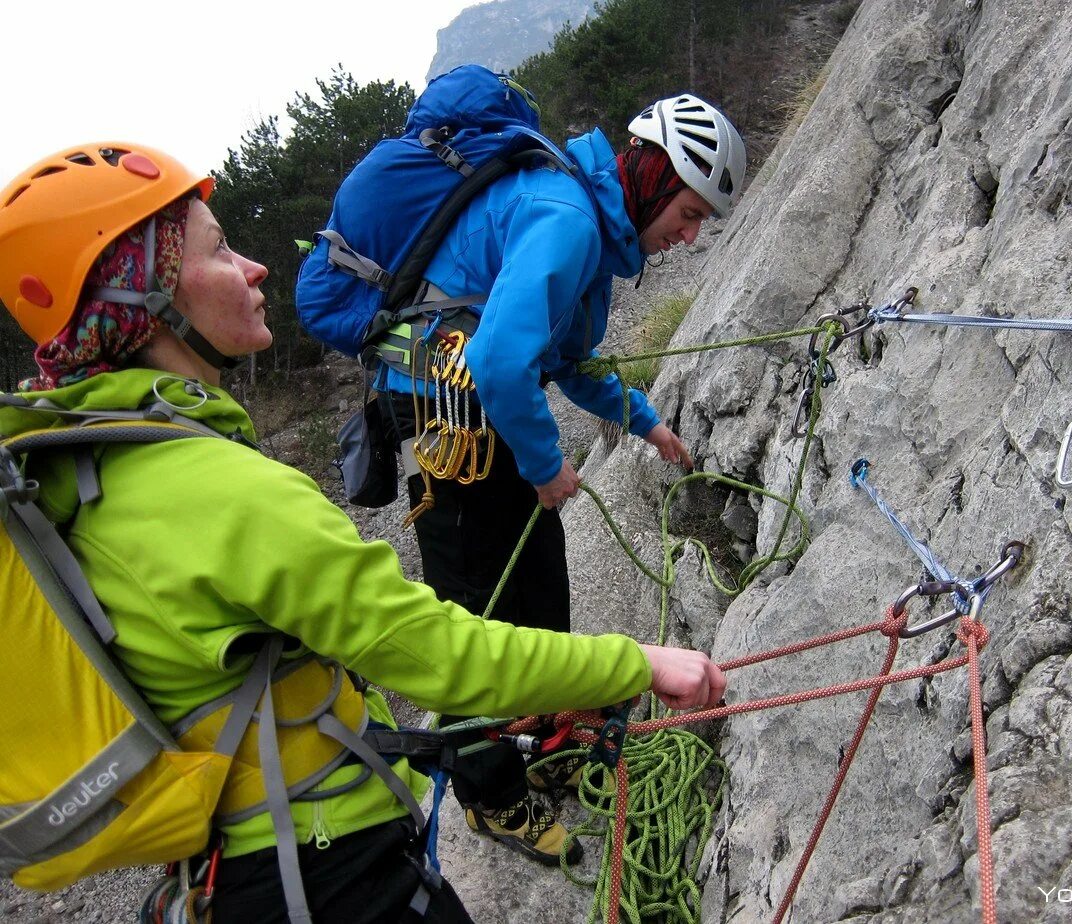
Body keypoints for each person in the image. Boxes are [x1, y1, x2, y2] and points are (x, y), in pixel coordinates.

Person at [0, 141, 728, 923]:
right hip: (332, 865)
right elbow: (438, 654)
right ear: (144, 297)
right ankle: (500, 790)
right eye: (219, 250)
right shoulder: (218, 492)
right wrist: (639, 665)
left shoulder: (75, 471)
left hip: (226, 860)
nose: (256, 269)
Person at [373, 93, 747, 861]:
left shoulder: (594, 236)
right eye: (688, 210)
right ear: (650, 174)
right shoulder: (568, 218)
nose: (689, 234)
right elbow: (501, 359)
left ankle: (547, 732)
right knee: (473, 612)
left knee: (541, 577)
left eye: (701, 219)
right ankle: (488, 792)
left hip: (482, 417)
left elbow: (567, 362)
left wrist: (644, 420)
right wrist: (547, 466)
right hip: (443, 424)